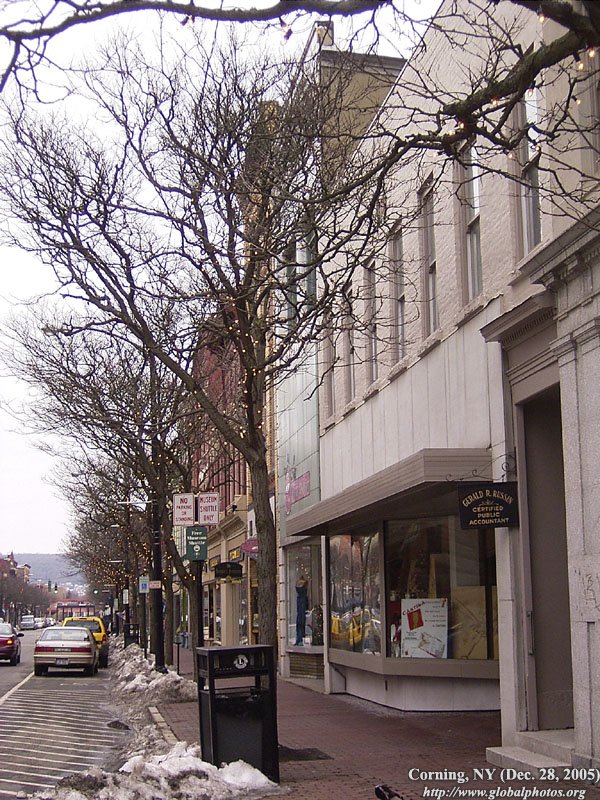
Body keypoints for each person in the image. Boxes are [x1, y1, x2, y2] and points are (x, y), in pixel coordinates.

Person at [295, 575, 308, 645]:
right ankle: (300, 638)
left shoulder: (302, 583)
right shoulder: (303, 583)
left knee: (301, 621)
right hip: (301, 602)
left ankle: (300, 638)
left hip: (301, 602)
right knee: (300, 621)